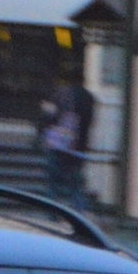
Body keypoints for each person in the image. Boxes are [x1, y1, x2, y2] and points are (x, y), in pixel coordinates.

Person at [36, 75, 94, 209]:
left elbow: (48, 117)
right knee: (75, 185)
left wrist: (42, 134)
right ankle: (79, 211)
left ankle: (52, 212)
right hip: (78, 147)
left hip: (57, 145)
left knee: (53, 183)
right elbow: (89, 123)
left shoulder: (59, 94)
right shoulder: (88, 98)